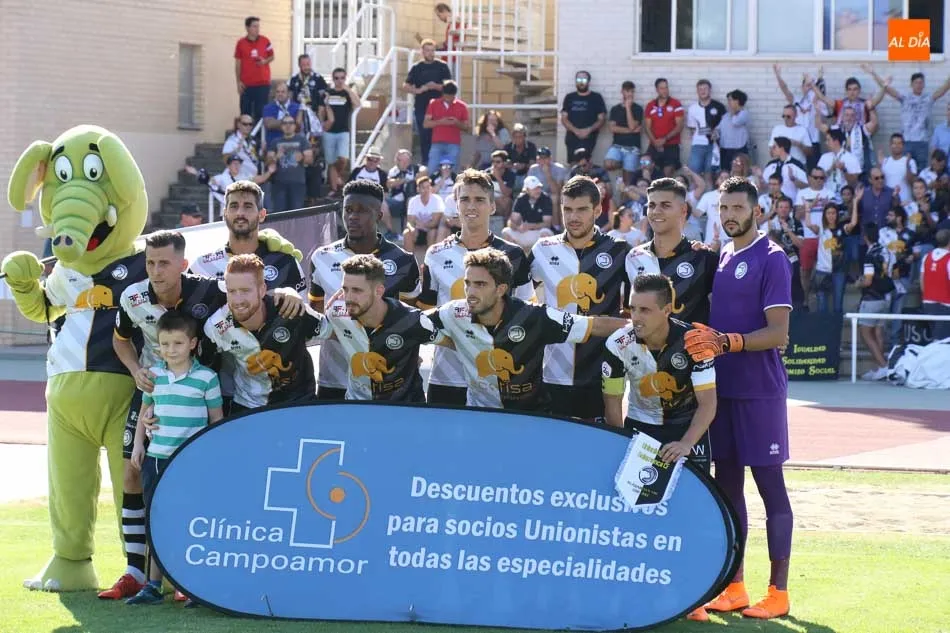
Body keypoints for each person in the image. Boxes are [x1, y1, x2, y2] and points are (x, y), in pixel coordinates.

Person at [683, 176, 794, 620]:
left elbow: (779, 334)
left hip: (760, 392)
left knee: (771, 490)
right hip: (721, 392)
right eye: (723, 208)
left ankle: (779, 591)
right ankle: (735, 586)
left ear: (756, 211)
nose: (729, 215)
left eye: (737, 208)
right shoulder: (724, 255)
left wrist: (727, 342)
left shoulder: (773, 258)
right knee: (728, 490)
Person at [101, 230, 227, 601]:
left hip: (201, 394)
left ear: (183, 265)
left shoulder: (210, 292)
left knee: (194, 484)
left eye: (164, 263)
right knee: (134, 471)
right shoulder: (133, 296)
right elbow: (120, 338)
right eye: (150, 262)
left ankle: (188, 572)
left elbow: (243, 301)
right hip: (153, 394)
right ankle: (134, 571)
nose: (155, 271)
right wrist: (134, 369)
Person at [601, 273, 717, 623]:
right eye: (633, 308)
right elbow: (612, 402)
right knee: (636, 517)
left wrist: (685, 444)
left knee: (693, 515)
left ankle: (695, 596)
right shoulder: (618, 343)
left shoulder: (695, 343)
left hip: (687, 429)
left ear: (668, 310)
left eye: (646, 310)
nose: (636, 317)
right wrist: (623, 444)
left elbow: (708, 404)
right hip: (642, 430)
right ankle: (636, 592)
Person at [425, 248, 627, 411]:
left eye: (480, 285)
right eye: (468, 284)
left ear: (501, 289)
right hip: (480, 416)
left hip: (530, 417)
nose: (470, 292)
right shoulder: (454, 312)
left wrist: (645, 327)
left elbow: (594, 325)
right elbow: (411, 322)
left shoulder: (535, 316)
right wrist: (452, 343)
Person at [125, 311, 223, 606]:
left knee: (188, 521)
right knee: (158, 520)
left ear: (192, 343)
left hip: (189, 461)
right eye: (165, 344)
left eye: (178, 343)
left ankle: (189, 585)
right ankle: (153, 585)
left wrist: (211, 456)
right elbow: (146, 411)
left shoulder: (206, 379)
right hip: (156, 459)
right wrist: (139, 444)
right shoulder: (154, 376)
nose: (171, 350)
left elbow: (216, 420)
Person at [415, 169, 534, 406]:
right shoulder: (436, 254)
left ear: (492, 206)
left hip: (497, 377)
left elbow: (526, 312)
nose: (471, 206)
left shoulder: (514, 255)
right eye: (465, 199)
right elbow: (425, 316)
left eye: (479, 199)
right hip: (446, 375)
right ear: (455, 205)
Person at [188, 180, 307, 413]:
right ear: (224, 213)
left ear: (262, 214)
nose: (240, 213)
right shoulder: (201, 266)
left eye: (248, 206)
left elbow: (303, 325)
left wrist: (290, 295)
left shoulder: (285, 263)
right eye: (233, 206)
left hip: (283, 394)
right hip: (220, 393)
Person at [528, 176, 631, 422]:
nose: (573, 217)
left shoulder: (619, 250)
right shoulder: (542, 249)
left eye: (582, 209)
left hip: (603, 372)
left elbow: (637, 308)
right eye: (568, 209)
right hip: (552, 371)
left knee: (600, 450)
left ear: (598, 209)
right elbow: (520, 301)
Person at [309, 179, 421, 401]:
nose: (352, 216)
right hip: (335, 378)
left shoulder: (404, 261)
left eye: (362, 211)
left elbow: (413, 322)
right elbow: (317, 316)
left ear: (379, 216)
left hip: (388, 381)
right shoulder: (321, 257)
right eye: (348, 210)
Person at [318, 254, 452, 401]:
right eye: (345, 289)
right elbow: (324, 330)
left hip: (406, 408)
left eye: (357, 290)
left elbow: (455, 343)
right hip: (357, 406)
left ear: (379, 291)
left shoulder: (412, 320)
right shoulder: (336, 314)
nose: (348, 297)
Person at [204, 254, 328, 412]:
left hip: (299, 403)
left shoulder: (291, 309)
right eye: (231, 291)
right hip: (248, 407)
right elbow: (202, 369)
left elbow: (333, 332)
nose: (238, 300)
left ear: (262, 290)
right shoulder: (215, 326)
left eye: (245, 290)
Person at [625, 178, 719, 325]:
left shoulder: (703, 257)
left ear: (683, 210)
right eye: (652, 205)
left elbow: (722, 312)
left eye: (665, 205)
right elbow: (628, 313)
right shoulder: (633, 257)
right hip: (644, 348)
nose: (656, 211)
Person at [856, 223, 895, 380]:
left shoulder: (869, 255)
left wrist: (858, 283)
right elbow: (894, 271)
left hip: (872, 298)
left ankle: (883, 366)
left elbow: (868, 281)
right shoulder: (886, 250)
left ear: (865, 236)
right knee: (878, 332)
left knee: (864, 332)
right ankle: (880, 368)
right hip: (887, 297)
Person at [920, 229, 950, 340]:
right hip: (946, 305)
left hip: (928, 304)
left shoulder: (926, 257)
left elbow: (922, 283)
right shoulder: (949, 259)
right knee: (942, 341)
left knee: (936, 338)